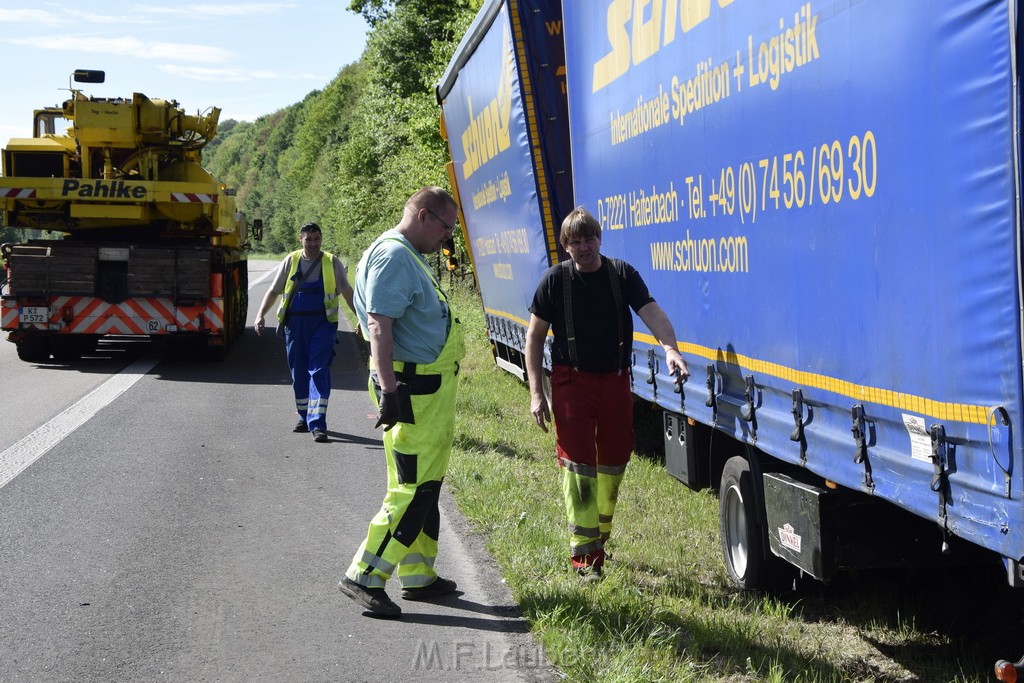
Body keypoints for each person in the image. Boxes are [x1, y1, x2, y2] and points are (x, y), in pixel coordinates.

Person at [525, 206, 689, 579]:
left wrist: (670, 348)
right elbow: (533, 338)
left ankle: (598, 539)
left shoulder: (621, 274)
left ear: (600, 238)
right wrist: (537, 393)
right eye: (576, 242)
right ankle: (585, 558)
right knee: (579, 465)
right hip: (571, 382)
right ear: (566, 246)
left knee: (614, 460)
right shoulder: (555, 281)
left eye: (590, 239)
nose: (585, 247)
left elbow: (652, 312)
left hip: (615, 381)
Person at [338, 186, 465, 619]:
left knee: (424, 487)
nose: (447, 238)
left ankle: (418, 574)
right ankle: (365, 575)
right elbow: (377, 327)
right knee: (414, 490)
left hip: (425, 393)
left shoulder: (399, 252)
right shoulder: (394, 256)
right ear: (425, 216)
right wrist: (390, 391)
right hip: (414, 394)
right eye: (447, 229)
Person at [254, 222, 355, 443]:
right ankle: (304, 415)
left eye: (316, 239)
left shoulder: (331, 262)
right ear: (300, 239)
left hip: (323, 325)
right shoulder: (291, 261)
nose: (312, 243)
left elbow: (347, 292)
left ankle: (318, 422)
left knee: (318, 371)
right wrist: (260, 314)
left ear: (321, 238)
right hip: (295, 326)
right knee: (298, 372)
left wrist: (361, 319)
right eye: (308, 239)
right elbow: (273, 291)